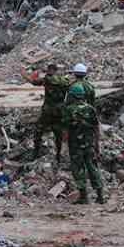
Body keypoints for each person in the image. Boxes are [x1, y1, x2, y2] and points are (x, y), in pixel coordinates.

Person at [62, 63, 104, 204]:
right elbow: (96, 126)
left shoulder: (69, 109)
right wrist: (97, 143)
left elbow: (66, 129)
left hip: (76, 143)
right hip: (90, 141)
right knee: (92, 166)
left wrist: (64, 144)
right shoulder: (90, 107)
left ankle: (84, 196)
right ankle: (100, 195)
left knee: (78, 168)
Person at [21, 63, 70, 163]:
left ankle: (35, 153)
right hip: (59, 111)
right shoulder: (65, 81)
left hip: (48, 111)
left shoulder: (47, 79)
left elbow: (33, 82)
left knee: (38, 130)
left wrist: (24, 74)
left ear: (49, 70)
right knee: (58, 134)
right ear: (56, 70)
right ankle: (58, 155)